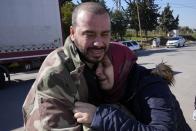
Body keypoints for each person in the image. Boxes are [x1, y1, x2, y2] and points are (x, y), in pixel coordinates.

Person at [22, 2, 112, 130]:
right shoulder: (56, 73)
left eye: (105, 34)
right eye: (89, 34)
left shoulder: (107, 58)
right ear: (73, 33)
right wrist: (105, 118)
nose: (98, 43)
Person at [73, 42, 192, 131]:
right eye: (96, 66)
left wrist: (102, 118)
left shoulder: (153, 87)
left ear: (120, 66)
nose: (97, 72)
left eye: (104, 64)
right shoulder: (114, 89)